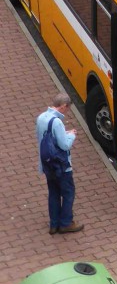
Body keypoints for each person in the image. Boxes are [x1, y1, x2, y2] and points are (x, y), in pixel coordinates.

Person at [36, 93, 83, 234]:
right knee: (68, 193)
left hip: (47, 165)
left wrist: (64, 133)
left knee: (54, 193)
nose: (67, 111)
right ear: (63, 106)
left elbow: (44, 138)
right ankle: (66, 223)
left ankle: (54, 224)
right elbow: (64, 145)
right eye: (67, 108)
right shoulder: (56, 122)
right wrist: (72, 135)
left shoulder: (41, 117)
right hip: (61, 165)